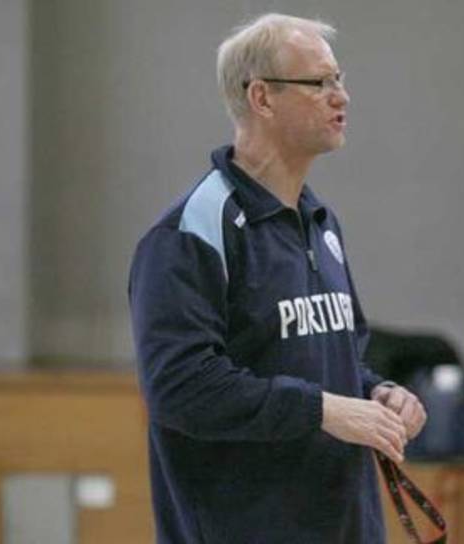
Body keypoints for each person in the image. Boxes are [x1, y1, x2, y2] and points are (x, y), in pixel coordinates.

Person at [128, 14, 426, 543]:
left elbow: (334, 359)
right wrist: (321, 409)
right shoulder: (189, 233)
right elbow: (180, 387)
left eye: (339, 80)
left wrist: (376, 393)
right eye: (320, 82)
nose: (342, 97)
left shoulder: (320, 221)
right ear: (262, 97)